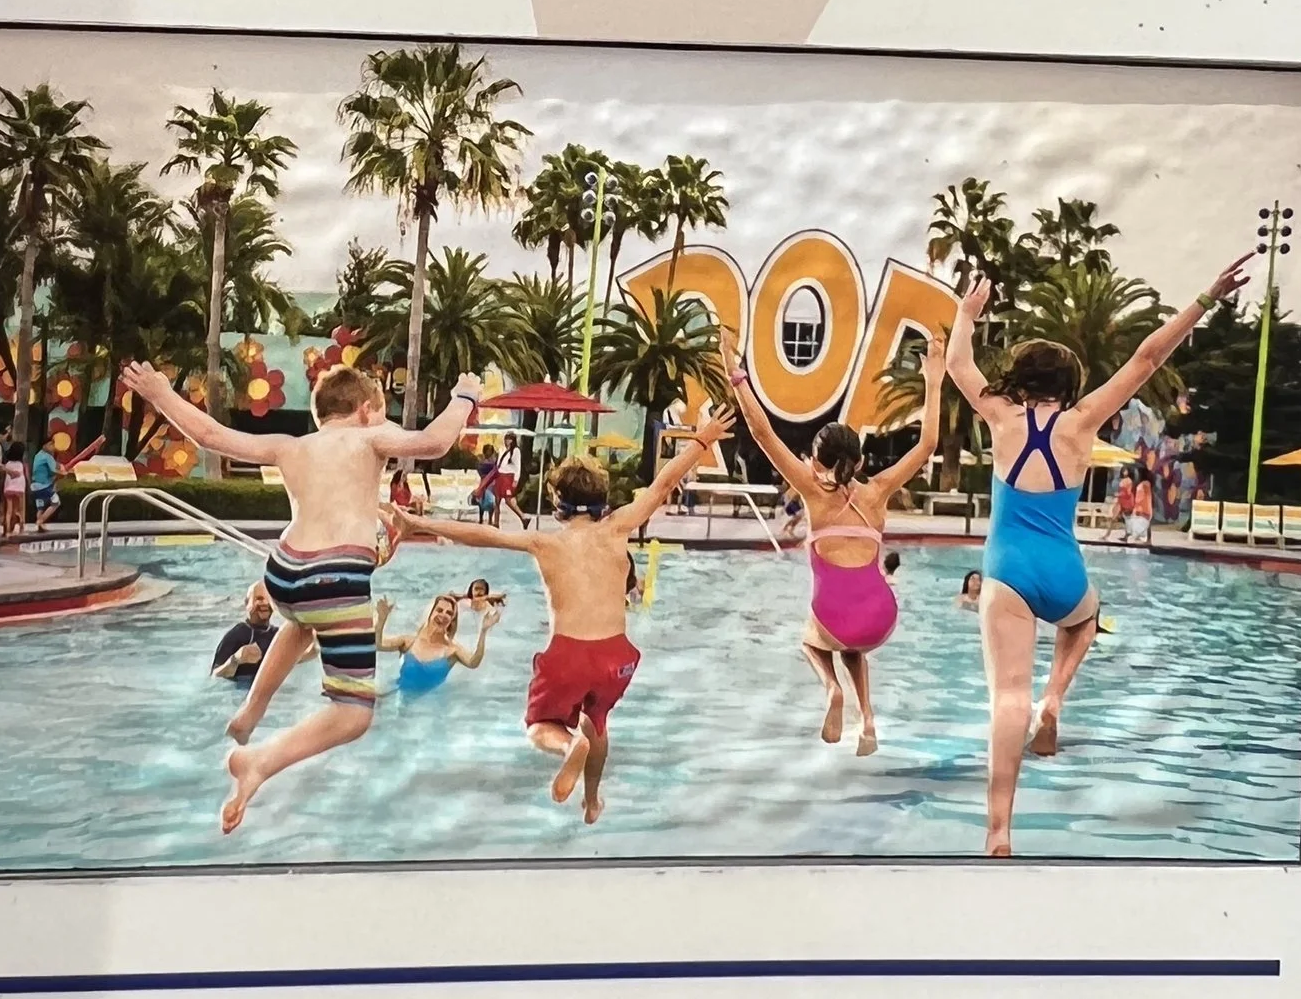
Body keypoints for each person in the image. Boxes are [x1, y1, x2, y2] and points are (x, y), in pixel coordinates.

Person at [946, 257, 1248, 856]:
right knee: (1083, 618)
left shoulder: (1000, 415)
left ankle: (999, 830)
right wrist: (1205, 299)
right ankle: (1055, 697)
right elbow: (1147, 358)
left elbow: (957, 362)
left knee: (1007, 696)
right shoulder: (1084, 421)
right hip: (1063, 570)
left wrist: (966, 312)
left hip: (1006, 574)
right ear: (1068, 385)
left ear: (1022, 380)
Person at [117, 354, 485, 832]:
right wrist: (464, 397)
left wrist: (160, 393)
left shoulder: (291, 446)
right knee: (353, 713)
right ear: (367, 409)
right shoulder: (371, 437)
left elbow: (210, 435)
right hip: (334, 576)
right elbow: (435, 442)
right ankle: (259, 761)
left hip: (283, 573)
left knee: (297, 621)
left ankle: (251, 711)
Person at [403, 427, 722, 825]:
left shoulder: (545, 543)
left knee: (540, 725)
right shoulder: (619, 526)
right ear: (601, 500)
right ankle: (591, 801)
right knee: (598, 724)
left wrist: (417, 522)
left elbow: (481, 534)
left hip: (569, 653)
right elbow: (664, 483)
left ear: (558, 503)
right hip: (617, 657)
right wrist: (702, 440)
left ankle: (570, 746)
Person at [718, 334, 944, 756]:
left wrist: (735, 370)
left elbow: (763, 432)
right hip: (881, 616)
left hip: (833, 615)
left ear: (815, 460)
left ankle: (831, 691)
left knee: (812, 639)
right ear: (858, 462)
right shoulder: (879, 489)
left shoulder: (810, 491)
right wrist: (933, 377)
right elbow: (928, 443)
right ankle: (869, 721)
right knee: (853, 646)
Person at [375, 587, 501, 701]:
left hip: (430, 707)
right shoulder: (409, 642)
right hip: (398, 696)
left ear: (451, 621)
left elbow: (474, 662)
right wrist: (381, 620)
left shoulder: (451, 650)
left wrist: (483, 631)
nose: (443, 615)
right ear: (431, 614)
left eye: (449, 613)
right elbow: (378, 644)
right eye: (439, 610)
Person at [210, 584, 277, 687]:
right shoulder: (237, 634)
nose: (265, 603)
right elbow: (215, 675)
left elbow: (300, 657)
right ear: (247, 603)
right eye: (259, 599)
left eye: (269, 599)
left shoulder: (277, 634)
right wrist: (236, 660)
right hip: (239, 688)